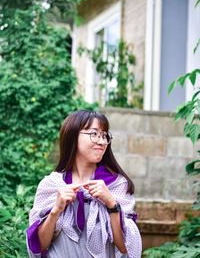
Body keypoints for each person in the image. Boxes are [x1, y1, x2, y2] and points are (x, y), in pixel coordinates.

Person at [26, 110, 142, 258]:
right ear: (73, 136)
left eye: (104, 135)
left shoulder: (117, 185)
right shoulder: (51, 184)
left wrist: (112, 205)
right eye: (94, 134)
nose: (101, 141)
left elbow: (125, 247)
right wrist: (56, 209)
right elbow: (40, 245)